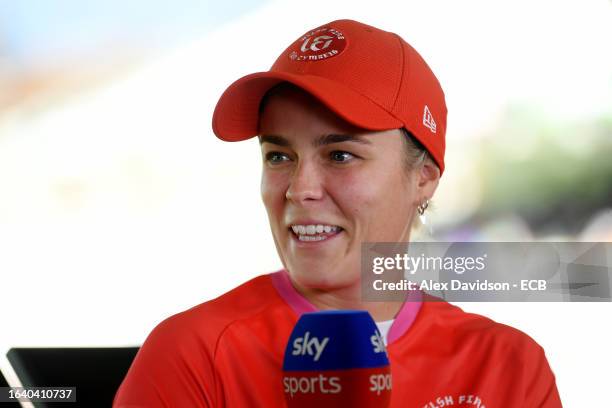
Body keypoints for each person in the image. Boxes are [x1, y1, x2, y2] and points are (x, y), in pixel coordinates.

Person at [113, 19, 562, 407]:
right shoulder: (192, 354)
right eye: (278, 156)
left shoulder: (509, 366)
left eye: (341, 155)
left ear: (423, 176)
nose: (299, 189)